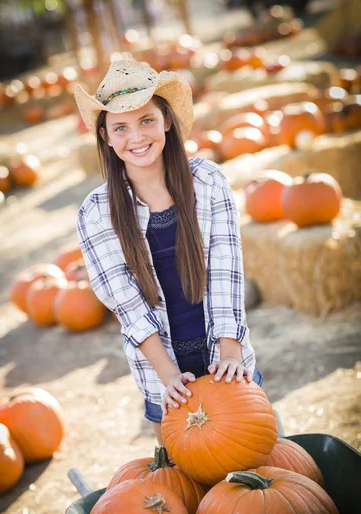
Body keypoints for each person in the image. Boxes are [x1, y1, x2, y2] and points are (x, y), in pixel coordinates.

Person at [74, 59, 263, 447]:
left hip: (225, 359)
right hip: (164, 379)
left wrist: (230, 353)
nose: (136, 137)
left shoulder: (207, 181)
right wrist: (169, 377)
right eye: (120, 127)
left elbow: (228, 270)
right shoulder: (96, 213)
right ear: (106, 137)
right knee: (187, 492)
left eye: (146, 120)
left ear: (166, 121)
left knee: (255, 474)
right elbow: (126, 304)